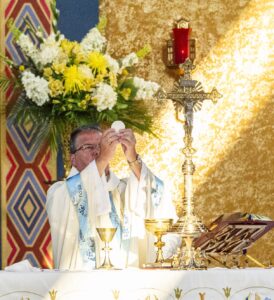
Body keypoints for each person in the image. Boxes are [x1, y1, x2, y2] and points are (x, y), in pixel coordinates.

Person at [46, 124, 175, 270]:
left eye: (101, 146)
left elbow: (154, 191)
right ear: (73, 158)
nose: (97, 152)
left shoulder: (120, 190)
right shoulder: (59, 192)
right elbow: (75, 192)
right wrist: (101, 160)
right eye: (88, 147)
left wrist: (132, 156)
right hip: (82, 285)